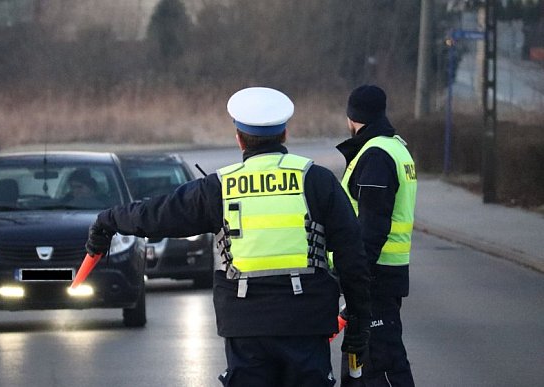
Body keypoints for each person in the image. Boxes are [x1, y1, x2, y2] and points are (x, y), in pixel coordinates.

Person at [86, 87, 372, 386]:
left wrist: (108, 220)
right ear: (285, 134)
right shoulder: (316, 180)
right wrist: (359, 322)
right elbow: (353, 257)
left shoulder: (219, 187)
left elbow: (156, 215)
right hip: (306, 323)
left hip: (245, 326)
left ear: (239, 137)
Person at [336, 85, 417, 387]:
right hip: (383, 274)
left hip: (374, 277)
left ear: (352, 117)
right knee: (364, 365)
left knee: (380, 366)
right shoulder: (396, 147)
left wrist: (356, 277)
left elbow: (372, 227)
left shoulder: (376, 156)